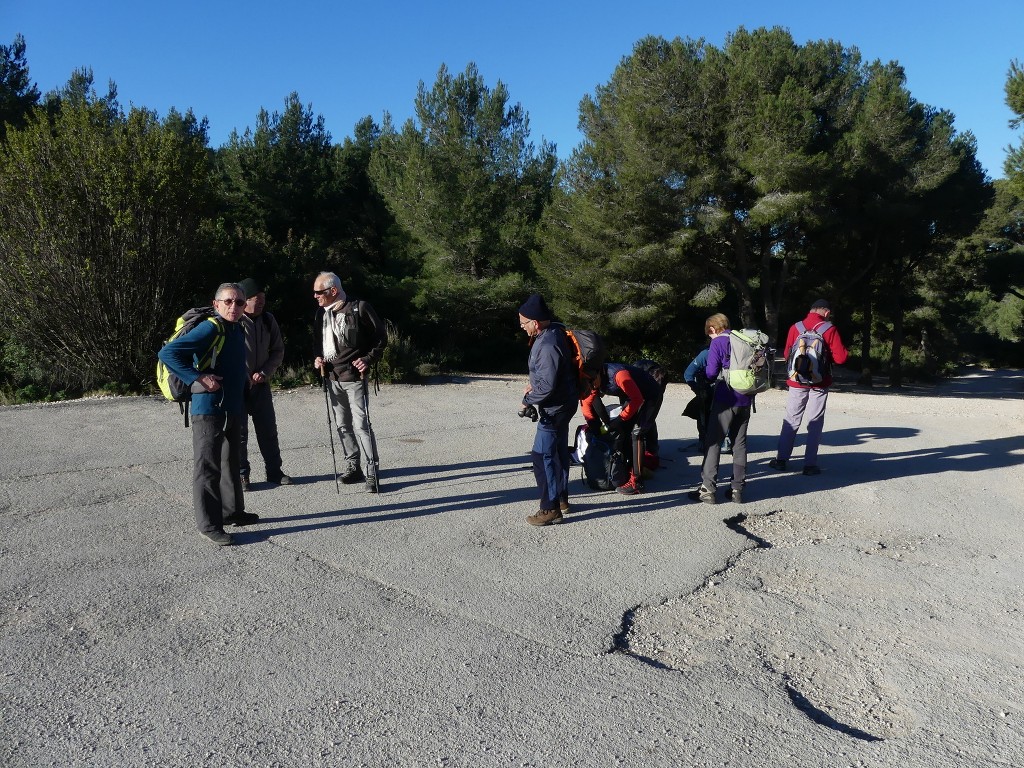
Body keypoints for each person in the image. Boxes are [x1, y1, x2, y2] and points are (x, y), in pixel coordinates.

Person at [158, 283, 258, 545]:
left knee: (230, 462)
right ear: (216, 304)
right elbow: (168, 353)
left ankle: (232, 512)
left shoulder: (236, 328)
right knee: (207, 467)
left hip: (231, 407)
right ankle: (209, 525)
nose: (233, 307)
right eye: (228, 301)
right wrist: (198, 377)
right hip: (209, 409)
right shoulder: (211, 327)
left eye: (239, 302)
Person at [312, 272, 388, 493]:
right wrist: (317, 358)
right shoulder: (321, 314)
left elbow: (381, 337)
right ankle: (353, 466)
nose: (315, 296)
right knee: (342, 425)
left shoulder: (359, 308)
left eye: (319, 292)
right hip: (332, 378)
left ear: (333, 291)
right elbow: (317, 342)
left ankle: (372, 472)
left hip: (354, 378)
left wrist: (367, 359)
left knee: (362, 426)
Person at [768, 299, 848, 475]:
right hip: (819, 382)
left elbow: (788, 353)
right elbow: (841, 358)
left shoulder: (795, 327)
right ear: (826, 312)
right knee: (815, 422)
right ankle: (810, 464)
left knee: (792, 419)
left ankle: (781, 460)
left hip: (797, 380)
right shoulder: (829, 329)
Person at [518, 294, 579, 526]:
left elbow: (549, 385)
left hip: (555, 407)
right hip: (564, 403)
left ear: (535, 322)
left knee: (541, 456)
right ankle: (561, 498)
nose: (522, 328)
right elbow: (550, 376)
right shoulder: (554, 332)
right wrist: (536, 383)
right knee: (558, 451)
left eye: (524, 323)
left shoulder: (547, 343)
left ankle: (549, 509)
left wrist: (528, 399)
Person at [688, 313, 750, 505]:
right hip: (746, 398)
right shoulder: (744, 339)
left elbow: (711, 372)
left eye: (709, 333)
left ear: (713, 329)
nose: (710, 337)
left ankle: (708, 489)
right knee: (739, 444)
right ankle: (737, 489)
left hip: (725, 397)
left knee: (713, 441)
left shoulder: (718, 342)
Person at [237, 278, 291, 490]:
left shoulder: (269, 320)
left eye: (263, 300)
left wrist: (265, 372)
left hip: (261, 385)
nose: (261, 304)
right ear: (245, 300)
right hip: (238, 387)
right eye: (256, 300)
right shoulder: (233, 321)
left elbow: (278, 351)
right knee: (239, 434)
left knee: (268, 430)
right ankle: (242, 475)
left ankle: (274, 472)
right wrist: (242, 375)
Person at [580, 361, 663, 495]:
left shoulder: (619, 375)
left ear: (598, 373)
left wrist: (619, 419)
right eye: (589, 384)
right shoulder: (591, 378)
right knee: (624, 430)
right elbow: (586, 402)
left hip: (650, 395)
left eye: (593, 382)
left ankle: (637, 482)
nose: (593, 386)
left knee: (637, 432)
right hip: (631, 395)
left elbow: (637, 399)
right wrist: (594, 425)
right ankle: (629, 468)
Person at [684, 345, 732, 455]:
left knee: (724, 413)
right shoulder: (705, 354)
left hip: (724, 389)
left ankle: (725, 440)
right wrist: (697, 390)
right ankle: (704, 439)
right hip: (707, 389)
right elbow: (688, 374)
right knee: (704, 413)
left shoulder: (732, 352)